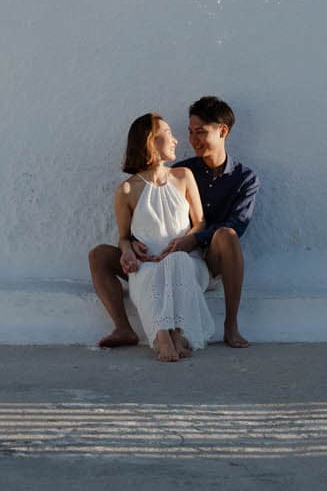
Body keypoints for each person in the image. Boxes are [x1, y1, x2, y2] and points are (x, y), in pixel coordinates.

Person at [88, 95, 259, 349]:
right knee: (99, 255)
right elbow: (151, 218)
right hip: (155, 256)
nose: (192, 140)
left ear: (222, 131)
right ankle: (124, 328)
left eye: (200, 132)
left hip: (203, 256)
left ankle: (230, 326)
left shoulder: (244, 178)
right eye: (190, 132)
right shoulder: (178, 171)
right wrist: (132, 244)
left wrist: (192, 240)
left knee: (227, 234)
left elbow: (237, 224)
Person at [105, 112, 213, 362]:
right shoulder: (127, 190)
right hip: (148, 264)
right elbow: (122, 237)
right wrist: (129, 249)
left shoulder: (183, 176)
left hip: (187, 260)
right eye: (168, 134)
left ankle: (176, 332)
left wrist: (184, 242)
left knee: (177, 262)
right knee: (151, 273)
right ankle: (161, 335)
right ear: (150, 141)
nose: (175, 140)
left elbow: (200, 223)